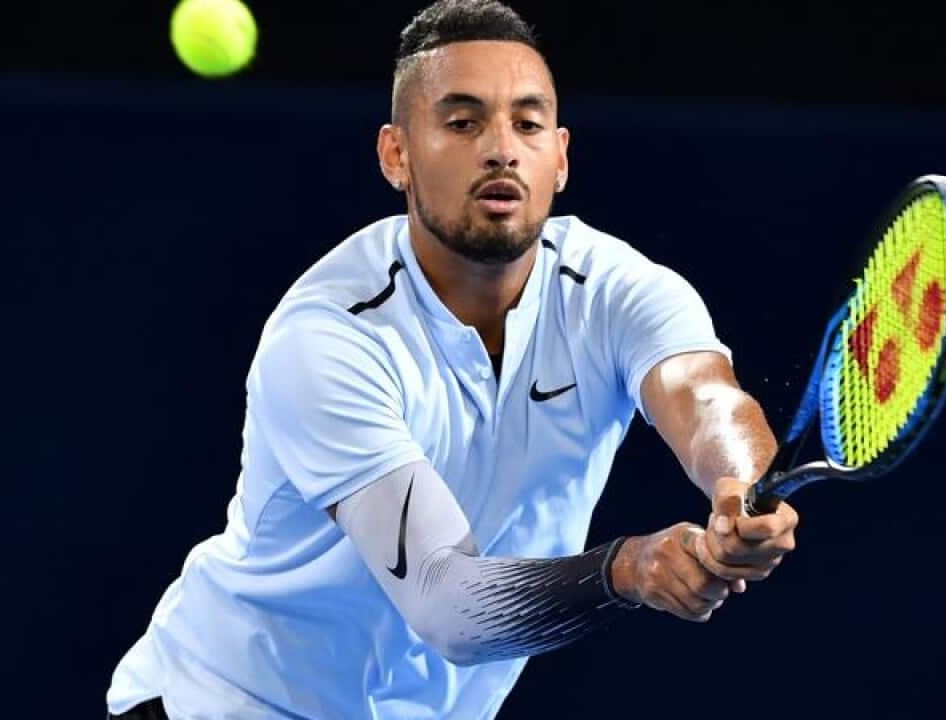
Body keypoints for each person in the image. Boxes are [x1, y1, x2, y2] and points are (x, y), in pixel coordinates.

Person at [106, 1, 799, 717]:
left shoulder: (616, 290)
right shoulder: (327, 336)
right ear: (396, 154)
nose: (502, 148)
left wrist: (736, 484)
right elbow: (447, 605)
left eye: (527, 124)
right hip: (225, 700)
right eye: (463, 122)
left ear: (559, 158)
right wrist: (629, 569)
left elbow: (705, 395)